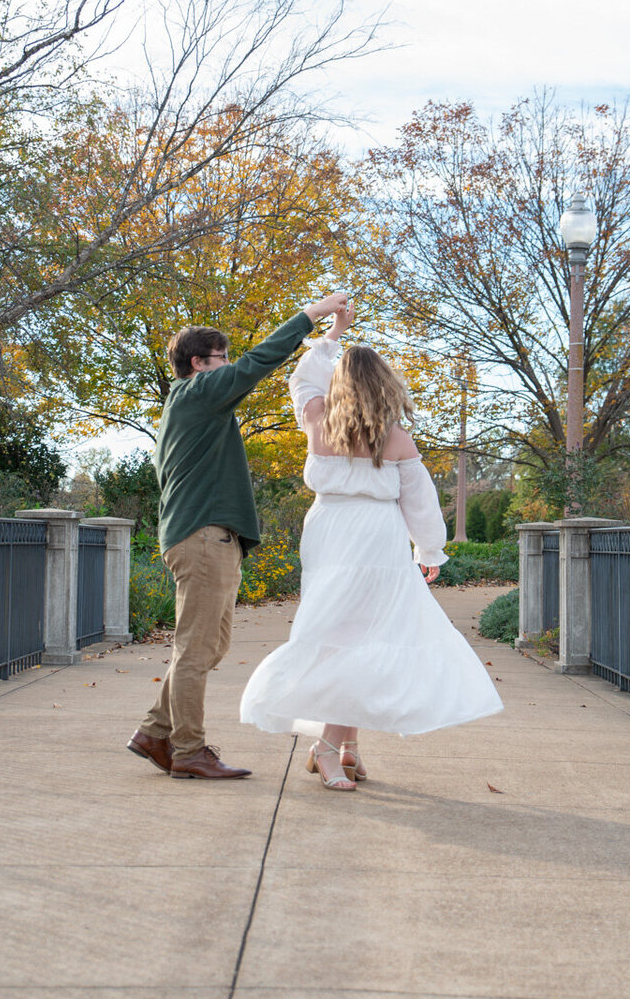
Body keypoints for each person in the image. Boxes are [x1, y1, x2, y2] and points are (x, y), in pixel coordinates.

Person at [239, 306, 504, 788]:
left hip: (330, 532)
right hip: (376, 538)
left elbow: (304, 375)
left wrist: (333, 338)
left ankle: (346, 746)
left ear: (338, 384)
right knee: (358, 637)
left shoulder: (317, 417)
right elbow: (420, 506)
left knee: (347, 636)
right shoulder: (396, 437)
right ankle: (328, 748)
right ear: (385, 387)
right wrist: (429, 552)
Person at [128, 291, 350, 780]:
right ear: (197, 364)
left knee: (209, 646)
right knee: (195, 648)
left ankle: (154, 731)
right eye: (221, 359)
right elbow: (259, 362)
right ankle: (187, 750)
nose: (230, 367)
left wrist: (330, 339)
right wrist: (313, 314)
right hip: (202, 537)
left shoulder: (193, 404)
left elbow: (248, 365)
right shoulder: (197, 393)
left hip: (208, 537)